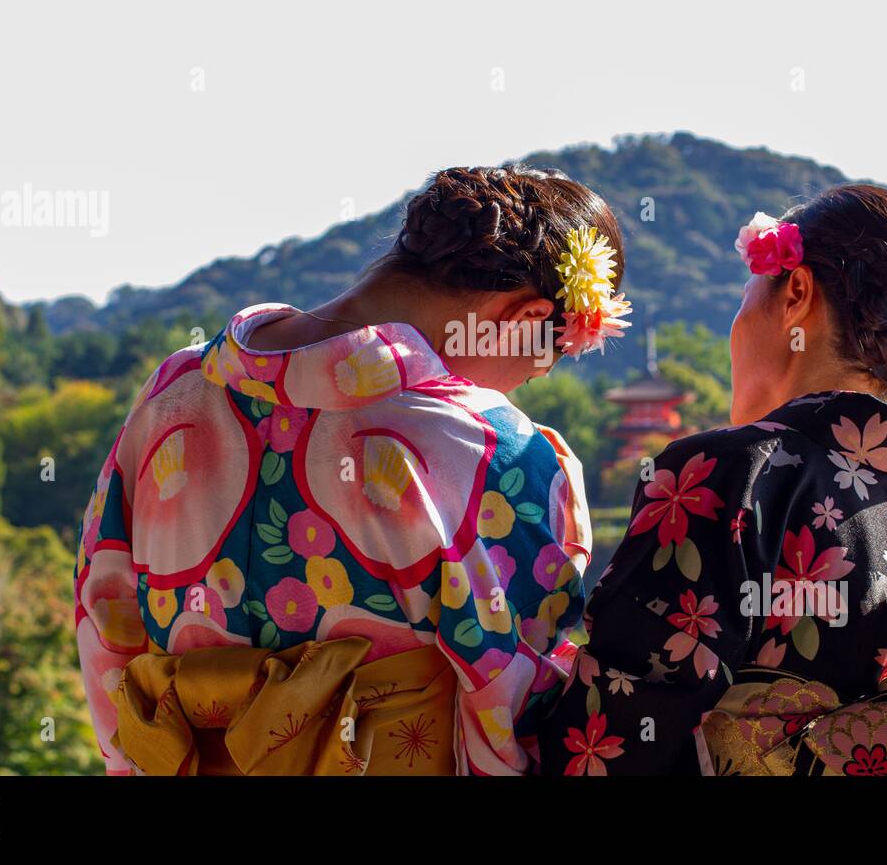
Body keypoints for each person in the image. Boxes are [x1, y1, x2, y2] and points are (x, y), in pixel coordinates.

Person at [74, 164, 631, 775]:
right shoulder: (487, 446)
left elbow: (105, 613)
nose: (538, 374)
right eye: (550, 352)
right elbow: (511, 693)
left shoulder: (171, 392)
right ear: (523, 318)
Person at [538, 184, 887, 776]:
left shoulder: (727, 478)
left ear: (797, 295)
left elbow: (610, 737)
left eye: (744, 298)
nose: (735, 326)